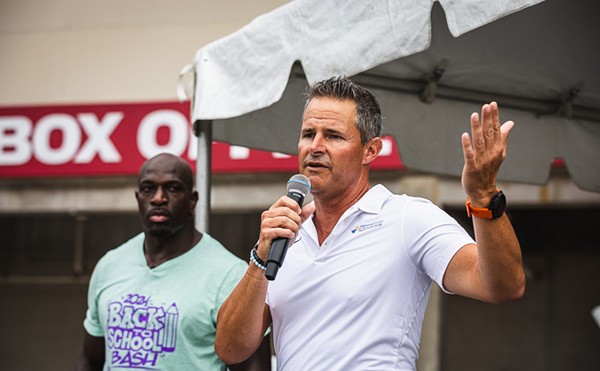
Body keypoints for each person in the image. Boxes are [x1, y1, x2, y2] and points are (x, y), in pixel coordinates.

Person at [214, 76, 526, 370]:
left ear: (370, 150)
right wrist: (260, 258)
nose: (315, 146)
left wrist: (485, 196)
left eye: (333, 136)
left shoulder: (407, 218)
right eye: (308, 134)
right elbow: (230, 349)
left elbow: (503, 285)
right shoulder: (285, 238)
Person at [76, 153, 271, 371]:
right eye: (148, 188)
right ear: (138, 197)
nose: (159, 198)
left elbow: (255, 367)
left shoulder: (231, 274)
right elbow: (88, 361)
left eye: (173, 188)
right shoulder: (109, 266)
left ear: (192, 200)